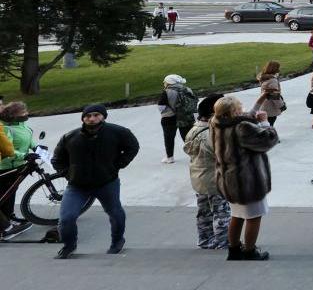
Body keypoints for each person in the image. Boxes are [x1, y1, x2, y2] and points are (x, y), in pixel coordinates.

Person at [51, 105, 140, 259]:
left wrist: (118, 164)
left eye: (96, 115)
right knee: (66, 218)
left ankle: (117, 241)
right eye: (88, 116)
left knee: (115, 212)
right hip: (77, 186)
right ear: (83, 118)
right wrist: (68, 173)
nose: (92, 119)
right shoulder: (70, 137)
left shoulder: (118, 132)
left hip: (107, 183)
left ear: (103, 117)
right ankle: (69, 245)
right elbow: (57, 159)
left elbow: (133, 147)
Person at [211, 97, 279, 261]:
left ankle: (234, 249)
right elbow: (268, 140)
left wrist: (260, 100)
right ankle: (250, 251)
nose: (242, 110)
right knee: (254, 216)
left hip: (229, 180)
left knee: (237, 215)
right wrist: (265, 123)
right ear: (233, 112)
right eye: (239, 108)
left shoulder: (216, 123)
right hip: (248, 181)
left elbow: (246, 117)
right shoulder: (241, 128)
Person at [182, 94, 230, 250]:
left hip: (199, 178)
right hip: (215, 179)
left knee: (204, 212)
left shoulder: (194, 130)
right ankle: (224, 241)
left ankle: (205, 239)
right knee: (221, 212)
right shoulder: (211, 134)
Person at [0, 103, 35, 238]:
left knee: (9, 192)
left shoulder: (22, 126)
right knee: (5, 193)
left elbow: (29, 138)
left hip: (16, 164)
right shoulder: (5, 128)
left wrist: (36, 147)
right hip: (6, 165)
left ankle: (8, 218)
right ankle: (6, 228)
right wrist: (23, 155)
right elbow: (8, 150)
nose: (2, 108)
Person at [157, 74, 196, 164]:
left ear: (169, 82)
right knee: (187, 137)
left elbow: (161, 107)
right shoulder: (188, 89)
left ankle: (170, 157)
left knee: (169, 137)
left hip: (169, 118)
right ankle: (195, 156)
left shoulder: (167, 92)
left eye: (165, 82)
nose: (164, 83)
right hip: (186, 117)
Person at [253, 61, 286, 127]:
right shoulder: (273, 81)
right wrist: (282, 106)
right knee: (269, 125)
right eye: (278, 68)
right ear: (275, 69)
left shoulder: (265, 78)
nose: (279, 69)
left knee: (265, 124)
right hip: (270, 108)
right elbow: (274, 96)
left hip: (264, 105)